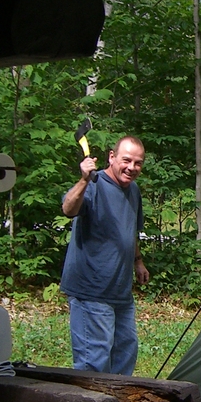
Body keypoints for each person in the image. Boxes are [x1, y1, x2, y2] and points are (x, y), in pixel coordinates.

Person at [60, 135, 150, 374]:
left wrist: (138, 262)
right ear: (112, 157)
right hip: (91, 290)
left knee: (125, 354)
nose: (131, 167)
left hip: (120, 291)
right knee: (94, 361)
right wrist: (83, 179)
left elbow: (130, 229)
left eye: (138, 163)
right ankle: (91, 400)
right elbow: (68, 209)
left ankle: (118, 398)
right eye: (126, 160)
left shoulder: (133, 190)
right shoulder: (94, 184)